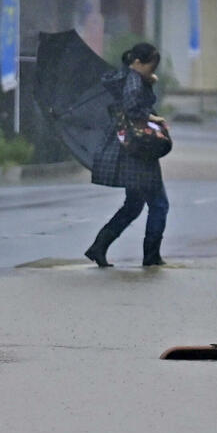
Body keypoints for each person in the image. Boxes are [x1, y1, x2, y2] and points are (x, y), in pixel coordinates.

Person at [85, 42, 169, 268]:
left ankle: (99, 247)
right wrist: (153, 118)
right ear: (138, 63)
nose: (153, 71)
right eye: (151, 66)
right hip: (139, 151)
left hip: (128, 149)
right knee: (159, 204)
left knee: (133, 205)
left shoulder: (127, 77)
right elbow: (133, 109)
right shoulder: (133, 81)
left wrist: (147, 83)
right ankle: (151, 257)